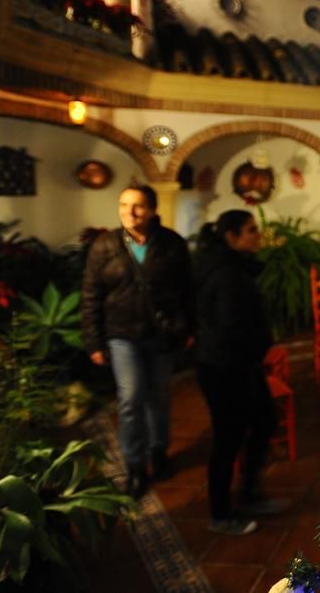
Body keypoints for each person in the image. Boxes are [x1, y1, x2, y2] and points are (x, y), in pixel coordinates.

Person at [82, 184, 193, 497]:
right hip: (121, 337)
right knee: (131, 399)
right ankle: (134, 465)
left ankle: (158, 452)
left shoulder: (172, 244)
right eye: (123, 204)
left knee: (158, 396)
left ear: (153, 209)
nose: (130, 212)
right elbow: (91, 295)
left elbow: (186, 290)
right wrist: (94, 342)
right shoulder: (104, 246)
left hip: (161, 334)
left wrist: (187, 328)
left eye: (138, 205)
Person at [193, 210, 279, 536]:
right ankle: (221, 512)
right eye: (251, 230)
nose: (258, 235)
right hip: (225, 366)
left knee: (263, 420)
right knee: (227, 438)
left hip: (237, 363)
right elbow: (232, 326)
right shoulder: (226, 273)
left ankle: (250, 494)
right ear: (231, 236)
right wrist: (255, 349)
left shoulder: (231, 266)